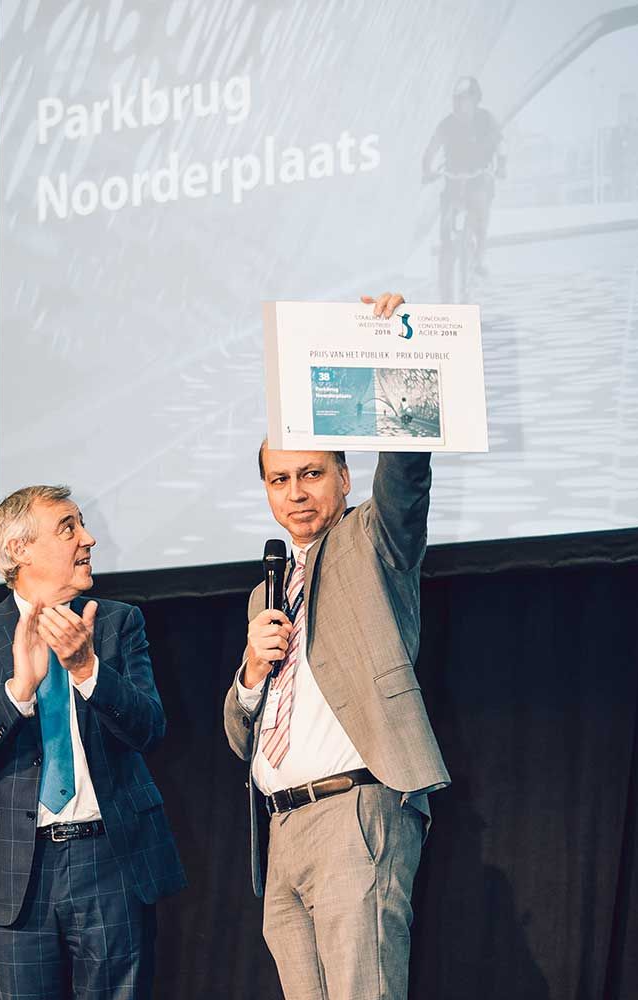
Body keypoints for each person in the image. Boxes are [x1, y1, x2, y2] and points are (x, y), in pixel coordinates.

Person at [223, 291, 450, 1000]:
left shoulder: (371, 543)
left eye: (312, 474)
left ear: (344, 478)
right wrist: (249, 676)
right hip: (281, 829)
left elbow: (406, 477)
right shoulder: (266, 592)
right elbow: (240, 735)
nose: (296, 493)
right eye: (280, 480)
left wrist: (397, 354)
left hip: (354, 813)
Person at [0, 485, 185, 1000]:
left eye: (82, 525)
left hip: (110, 861)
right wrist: (18, 693)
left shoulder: (117, 623)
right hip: (15, 872)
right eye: (68, 528)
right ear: (19, 550)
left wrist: (86, 668)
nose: (88, 539)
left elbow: (150, 729)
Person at [422, 76, 506, 276]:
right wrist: (427, 170)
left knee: (481, 214)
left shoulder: (486, 120)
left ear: (475, 99)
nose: (459, 103)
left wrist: (502, 165)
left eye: (464, 99)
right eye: (456, 99)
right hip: (453, 178)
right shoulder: (447, 124)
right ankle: (447, 259)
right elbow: (431, 149)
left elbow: (501, 143)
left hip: (480, 178)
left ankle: (479, 259)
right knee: (445, 226)